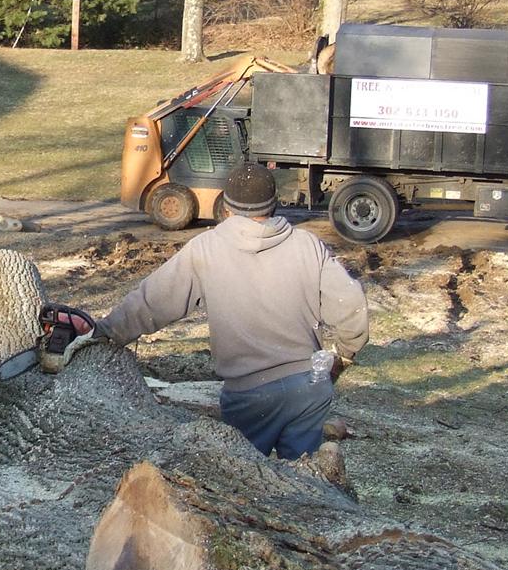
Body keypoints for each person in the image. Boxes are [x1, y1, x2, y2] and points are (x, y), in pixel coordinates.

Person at [98, 162, 367, 459]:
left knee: (245, 480)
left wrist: (106, 331)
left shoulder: (205, 249)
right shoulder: (307, 245)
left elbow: (153, 302)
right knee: (302, 479)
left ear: (226, 208)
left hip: (248, 397)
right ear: (274, 204)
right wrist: (342, 357)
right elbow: (350, 305)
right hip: (307, 387)